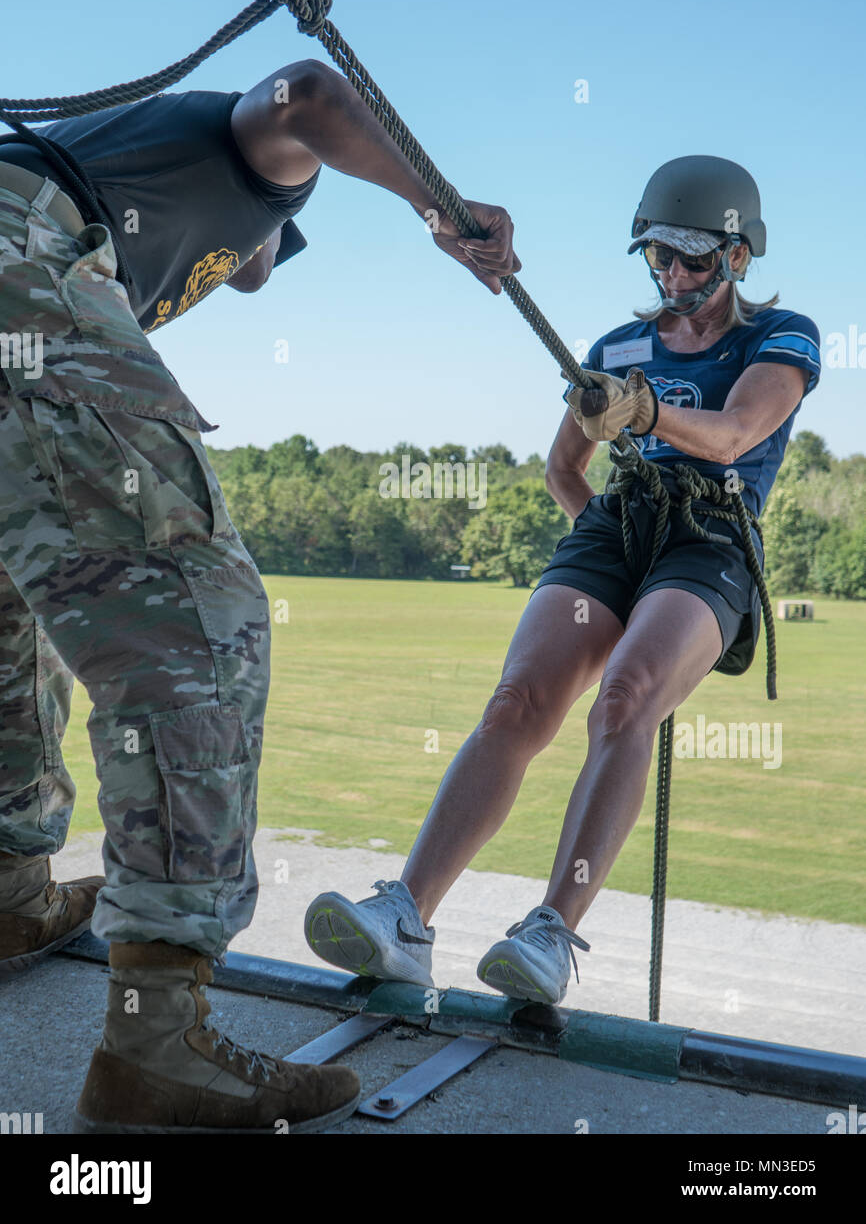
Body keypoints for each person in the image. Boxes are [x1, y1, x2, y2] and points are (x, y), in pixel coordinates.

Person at [0, 57, 519, 1133]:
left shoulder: (159, 198)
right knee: (193, 617)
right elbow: (306, 97)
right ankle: (156, 1040)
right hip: (18, 254)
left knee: (22, 584)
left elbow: (245, 275)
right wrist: (441, 204)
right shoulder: (260, 176)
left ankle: (8, 890)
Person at [304, 155, 821, 1007]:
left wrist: (647, 414)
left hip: (709, 536)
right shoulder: (613, 350)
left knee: (627, 695)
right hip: (616, 524)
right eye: (659, 256)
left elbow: (732, 436)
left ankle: (549, 933)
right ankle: (406, 919)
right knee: (517, 702)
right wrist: (605, 564)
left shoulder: (780, 336)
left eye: (694, 258)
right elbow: (563, 467)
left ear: (738, 257)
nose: (674, 274)